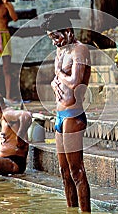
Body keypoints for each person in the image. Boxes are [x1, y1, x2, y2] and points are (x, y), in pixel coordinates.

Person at [43, 13, 92, 212]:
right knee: (64, 172)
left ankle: (85, 211)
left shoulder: (79, 49)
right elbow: (55, 83)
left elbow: (74, 81)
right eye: (51, 39)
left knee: (76, 171)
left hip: (73, 114)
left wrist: (60, 76)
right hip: (59, 114)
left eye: (56, 37)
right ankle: (71, 210)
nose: (55, 42)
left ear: (69, 32)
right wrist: (58, 81)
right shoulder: (61, 51)